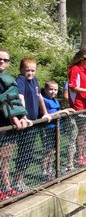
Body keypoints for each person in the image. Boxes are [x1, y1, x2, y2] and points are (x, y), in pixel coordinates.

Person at [14, 57, 53, 191]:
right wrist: (23, 115)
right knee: (24, 153)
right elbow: (20, 97)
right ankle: (17, 182)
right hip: (26, 122)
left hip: (33, 122)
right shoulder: (21, 80)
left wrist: (45, 113)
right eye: (27, 70)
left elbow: (39, 97)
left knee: (28, 153)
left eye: (33, 70)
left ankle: (19, 181)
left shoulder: (34, 81)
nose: (30, 73)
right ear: (21, 70)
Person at [0, 48, 32, 199]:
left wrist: (22, 117)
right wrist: (14, 118)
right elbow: (4, 100)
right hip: (3, 124)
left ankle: (6, 187)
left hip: (8, 126)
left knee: (6, 158)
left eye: (5, 60)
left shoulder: (7, 79)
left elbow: (14, 99)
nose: (2, 62)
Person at [40, 81, 74, 180]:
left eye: (55, 90)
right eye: (50, 89)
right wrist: (62, 111)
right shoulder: (43, 100)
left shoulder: (55, 101)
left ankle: (49, 169)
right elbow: (46, 115)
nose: (53, 92)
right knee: (47, 150)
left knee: (53, 150)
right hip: (47, 128)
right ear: (45, 90)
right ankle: (44, 171)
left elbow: (57, 111)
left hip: (56, 128)